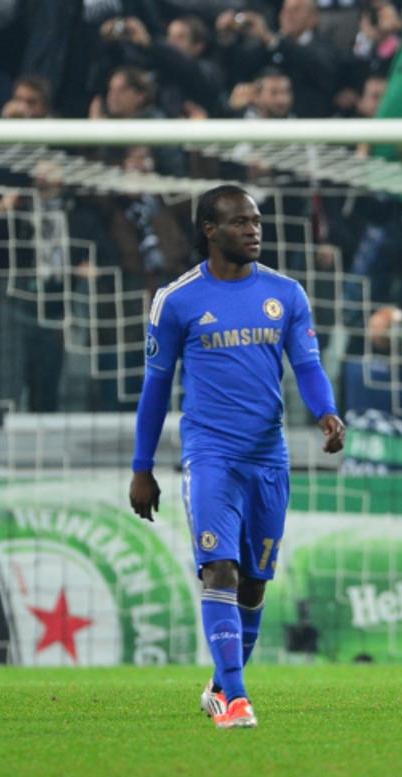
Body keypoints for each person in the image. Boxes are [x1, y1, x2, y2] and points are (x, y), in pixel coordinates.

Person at [128, 185, 346, 729]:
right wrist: (141, 467)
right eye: (241, 222)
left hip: (268, 457)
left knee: (253, 582)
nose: (254, 230)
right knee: (218, 568)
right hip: (211, 457)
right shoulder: (176, 300)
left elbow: (308, 365)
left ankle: (220, 685)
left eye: (256, 221)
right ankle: (236, 697)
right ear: (210, 230)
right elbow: (155, 390)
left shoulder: (286, 294)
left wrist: (326, 413)